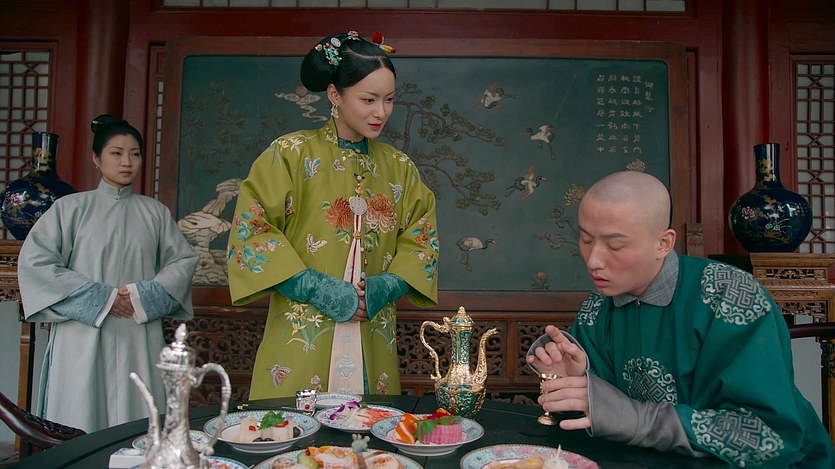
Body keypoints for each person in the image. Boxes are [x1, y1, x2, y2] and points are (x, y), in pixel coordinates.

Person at [527, 171, 834, 467]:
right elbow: (602, 420)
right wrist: (578, 379)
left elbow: (765, 436)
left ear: (663, 243)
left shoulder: (730, 295)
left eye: (615, 245)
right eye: (586, 240)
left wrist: (639, 419)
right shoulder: (598, 306)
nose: (594, 260)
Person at [226, 31, 439, 399]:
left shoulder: (400, 168)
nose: (381, 112)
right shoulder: (290, 154)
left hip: (372, 333)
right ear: (335, 95)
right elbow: (252, 232)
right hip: (301, 335)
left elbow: (423, 242)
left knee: (371, 430)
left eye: (389, 100)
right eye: (368, 99)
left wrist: (387, 286)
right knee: (294, 430)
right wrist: (314, 287)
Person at [18, 115, 198, 433]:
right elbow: (37, 264)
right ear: (96, 159)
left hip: (136, 332)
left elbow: (182, 262)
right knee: (79, 415)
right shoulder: (69, 209)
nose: (127, 162)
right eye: (116, 153)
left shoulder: (155, 213)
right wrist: (104, 299)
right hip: (81, 332)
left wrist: (141, 297)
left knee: (137, 422)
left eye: (135, 154)